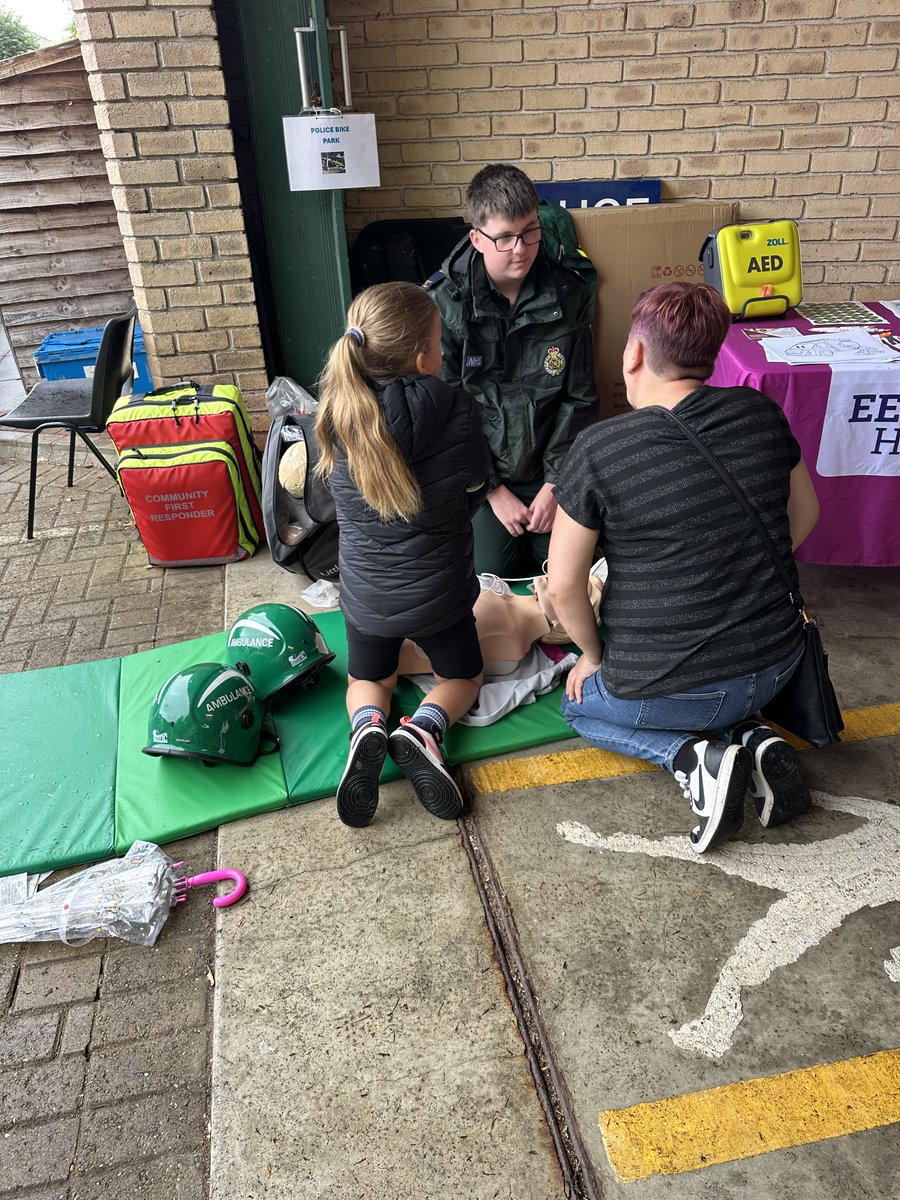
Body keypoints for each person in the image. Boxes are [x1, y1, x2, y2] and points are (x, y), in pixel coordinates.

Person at [546, 282, 821, 854]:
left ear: (634, 354)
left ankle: (697, 757)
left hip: (678, 688)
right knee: (725, 696)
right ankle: (753, 737)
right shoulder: (760, 413)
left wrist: (593, 658)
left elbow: (564, 583)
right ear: (711, 353)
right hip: (779, 666)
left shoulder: (601, 449)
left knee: (578, 705)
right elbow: (807, 516)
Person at [314, 281, 491, 829]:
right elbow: (478, 487)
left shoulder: (334, 414)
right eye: (439, 344)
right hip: (441, 596)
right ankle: (424, 729)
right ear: (422, 357)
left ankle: (368, 724)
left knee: (369, 677)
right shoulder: (459, 408)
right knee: (464, 677)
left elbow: (322, 502)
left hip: (366, 598)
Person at [429, 163, 597, 578]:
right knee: (488, 580)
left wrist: (556, 484)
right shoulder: (444, 306)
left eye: (530, 231)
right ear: (477, 238)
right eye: (504, 238)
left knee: (573, 576)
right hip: (480, 478)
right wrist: (491, 490)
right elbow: (443, 412)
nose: (520, 248)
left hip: (551, 471)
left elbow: (578, 398)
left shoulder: (568, 293)